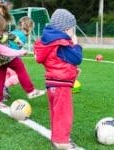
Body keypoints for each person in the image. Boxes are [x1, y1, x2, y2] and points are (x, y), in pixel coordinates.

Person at [34, 9, 84, 150]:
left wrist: (73, 71)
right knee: (63, 113)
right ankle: (61, 141)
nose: (73, 32)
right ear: (67, 29)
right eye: (73, 29)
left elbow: (59, 63)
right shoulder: (61, 43)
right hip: (61, 85)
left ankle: (57, 136)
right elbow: (77, 58)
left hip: (52, 83)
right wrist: (76, 44)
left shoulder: (50, 42)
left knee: (56, 112)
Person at [0, 3, 45, 108]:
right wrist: (18, 50)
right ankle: (31, 91)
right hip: (4, 54)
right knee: (20, 67)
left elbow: (5, 35)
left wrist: (14, 39)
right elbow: (3, 37)